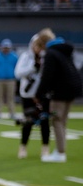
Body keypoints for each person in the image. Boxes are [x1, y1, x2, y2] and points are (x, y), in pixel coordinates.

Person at [37, 34, 82, 163]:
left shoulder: (51, 53)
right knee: (63, 121)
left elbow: (47, 76)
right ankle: (60, 150)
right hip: (72, 89)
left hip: (60, 92)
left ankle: (60, 152)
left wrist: (39, 94)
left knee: (57, 120)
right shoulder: (65, 52)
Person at [14, 29, 54, 159]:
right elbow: (18, 73)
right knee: (28, 121)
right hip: (28, 94)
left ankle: (45, 148)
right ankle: (23, 147)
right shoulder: (26, 57)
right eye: (36, 45)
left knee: (44, 121)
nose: (37, 48)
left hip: (42, 94)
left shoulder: (46, 58)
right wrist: (32, 68)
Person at [0, 39, 19, 119]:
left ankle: (12, 112)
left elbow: (17, 67)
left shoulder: (14, 57)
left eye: (7, 48)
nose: (6, 49)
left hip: (11, 80)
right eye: (4, 47)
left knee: (11, 97)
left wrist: (15, 76)